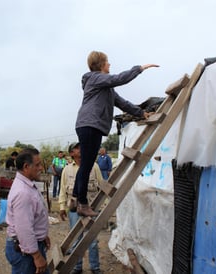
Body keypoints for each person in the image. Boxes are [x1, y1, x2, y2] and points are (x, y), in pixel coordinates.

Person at [74, 51, 159, 217]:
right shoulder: (95, 78)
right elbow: (120, 78)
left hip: (89, 124)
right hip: (91, 124)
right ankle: (82, 204)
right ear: (101, 65)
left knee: (86, 163)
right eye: (107, 62)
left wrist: (141, 113)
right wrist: (140, 68)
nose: (109, 65)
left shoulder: (105, 87)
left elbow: (122, 103)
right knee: (87, 164)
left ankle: (75, 198)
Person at [59, 143, 103, 274]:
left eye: (81, 147)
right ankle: (77, 267)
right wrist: (62, 207)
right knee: (76, 239)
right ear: (72, 153)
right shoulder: (67, 170)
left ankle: (95, 268)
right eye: (77, 148)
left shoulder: (94, 166)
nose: (81, 149)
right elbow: (62, 190)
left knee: (92, 240)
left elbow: (101, 186)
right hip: (74, 210)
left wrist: (103, 206)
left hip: (91, 208)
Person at [5, 148, 51, 274]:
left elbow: (33, 217)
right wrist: (36, 256)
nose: (41, 168)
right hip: (25, 252)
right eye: (37, 165)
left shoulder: (26, 184)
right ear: (26, 167)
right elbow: (24, 229)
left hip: (29, 247)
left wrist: (42, 235)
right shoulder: (23, 193)